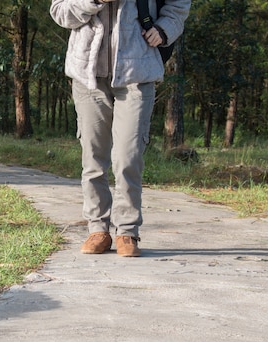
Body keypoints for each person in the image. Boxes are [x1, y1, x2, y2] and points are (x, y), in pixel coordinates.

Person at [50, 0, 190, 257]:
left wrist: (164, 28)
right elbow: (60, 11)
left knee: (128, 156)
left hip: (137, 71)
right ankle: (98, 228)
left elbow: (178, 5)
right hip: (87, 75)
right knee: (93, 157)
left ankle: (127, 231)